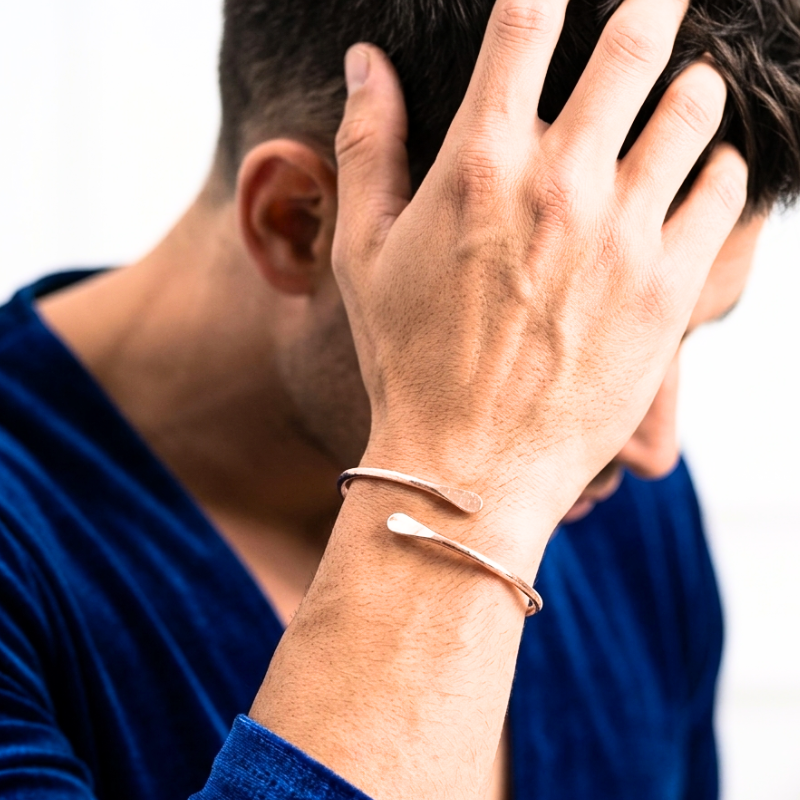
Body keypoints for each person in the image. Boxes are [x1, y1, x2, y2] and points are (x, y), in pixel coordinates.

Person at [0, 0, 798, 799]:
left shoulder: (623, 509)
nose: (655, 448)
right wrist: (473, 479)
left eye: (650, 334)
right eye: (566, 323)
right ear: (297, 221)